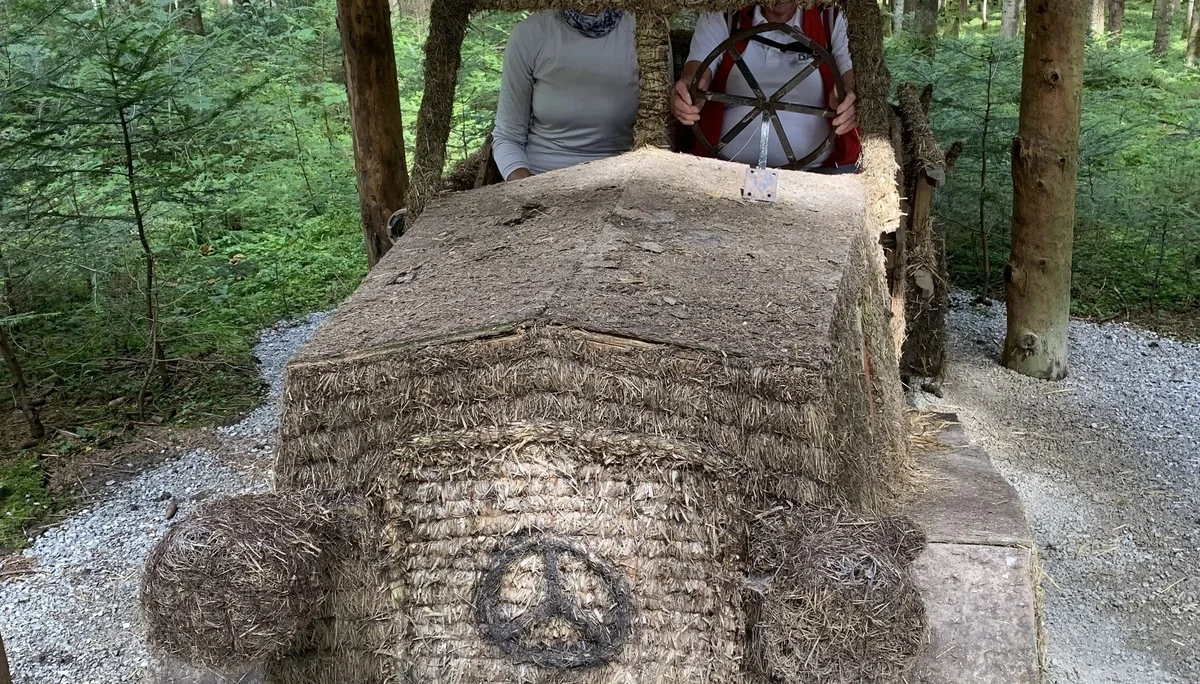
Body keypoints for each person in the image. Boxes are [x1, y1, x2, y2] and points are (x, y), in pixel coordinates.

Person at [670, 3, 860, 172]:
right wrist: (689, 90)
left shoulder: (830, 17)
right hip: (724, 168)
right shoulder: (724, 12)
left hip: (817, 171)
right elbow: (698, 69)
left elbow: (849, 72)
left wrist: (848, 95)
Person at [491, 8, 639, 182]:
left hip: (622, 179)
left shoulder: (643, 34)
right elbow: (508, 136)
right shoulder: (531, 33)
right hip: (540, 176)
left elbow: (663, 130)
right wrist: (526, 188)